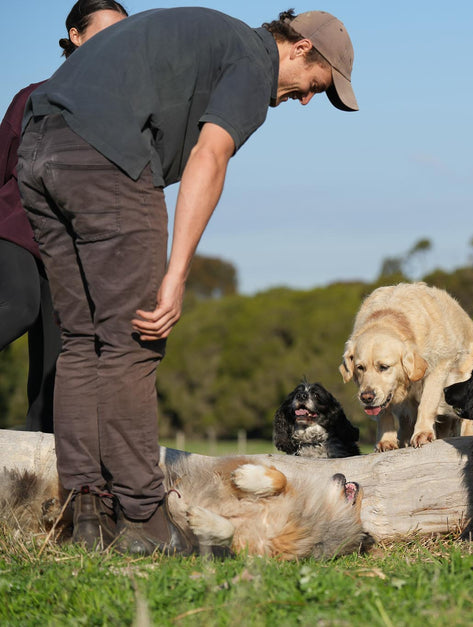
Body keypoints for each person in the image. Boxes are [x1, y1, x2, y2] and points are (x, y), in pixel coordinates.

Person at [17, 8, 358, 555]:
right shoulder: (251, 60)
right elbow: (211, 155)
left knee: (83, 340)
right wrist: (176, 274)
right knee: (136, 340)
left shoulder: (209, 38)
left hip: (37, 150)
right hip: (106, 157)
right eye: (315, 85)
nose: (308, 99)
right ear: (298, 48)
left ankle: (85, 508)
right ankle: (145, 519)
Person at [0, 0, 127, 433]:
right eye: (105, 31)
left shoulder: (124, 110)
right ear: (76, 36)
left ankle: (36, 480)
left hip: (74, 252)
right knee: (16, 307)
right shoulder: (34, 95)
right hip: (16, 228)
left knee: (56, 372)